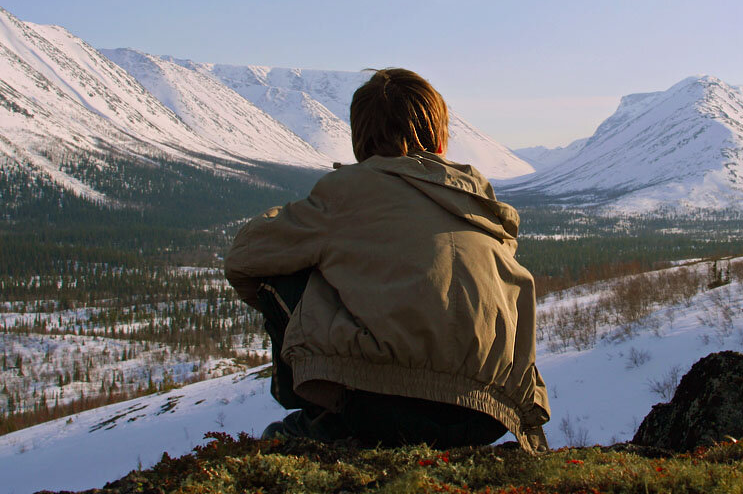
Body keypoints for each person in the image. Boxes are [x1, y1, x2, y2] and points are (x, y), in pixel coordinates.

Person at [224, 68, 550, 452]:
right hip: (490, 414)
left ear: (359, 139)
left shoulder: (347, 191)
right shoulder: (482, 205)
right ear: (440, 138)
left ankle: (318, 420)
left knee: (285, 271)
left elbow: (243, 260)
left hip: (380, 408)